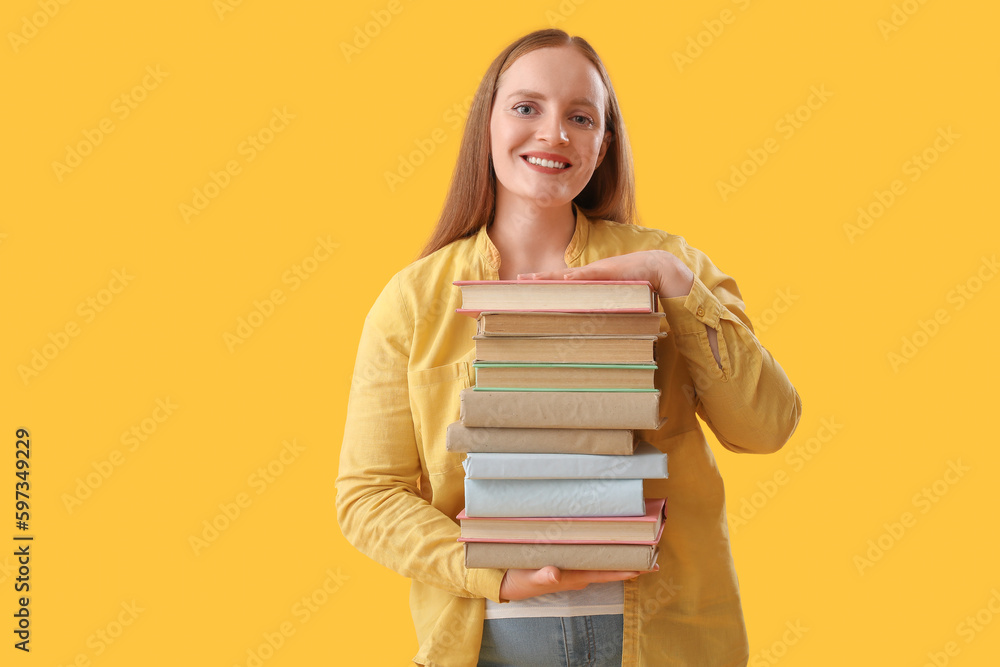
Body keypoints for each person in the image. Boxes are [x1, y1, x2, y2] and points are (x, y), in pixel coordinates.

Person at [336, 28, 802, 667]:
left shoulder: (674, 266)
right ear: (488, 125)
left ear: (602, 143)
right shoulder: (413, 300)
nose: (554, 133)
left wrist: (677, 288)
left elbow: (767, 425)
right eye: (527, 108)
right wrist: (494, 575)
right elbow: (369, 496)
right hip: (494, 640)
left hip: (666, 636)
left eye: (580, 117)